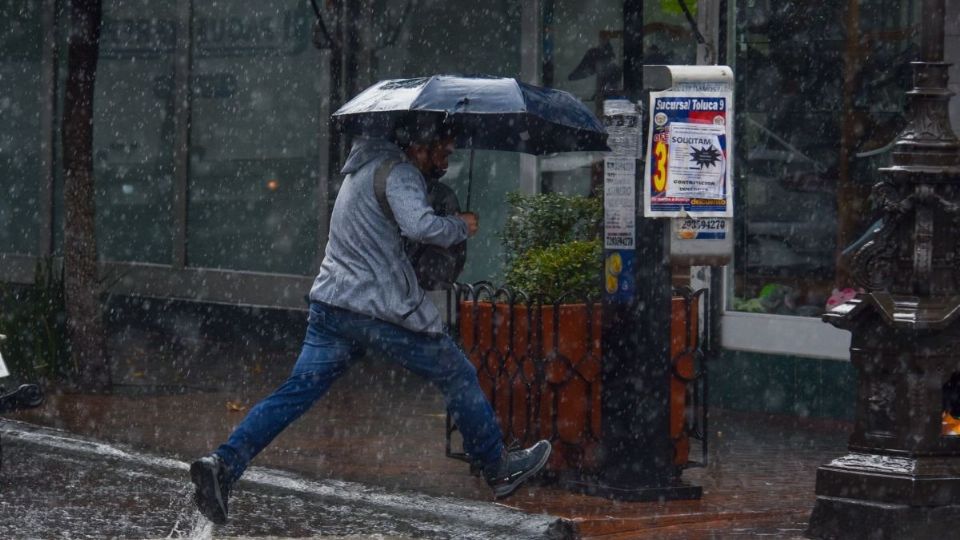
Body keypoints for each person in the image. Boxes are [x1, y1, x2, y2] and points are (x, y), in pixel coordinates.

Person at [189, 128, 552, 524]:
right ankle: (497, 467)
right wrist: (460, 225)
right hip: (377, 310)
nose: (449, 153)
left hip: (332, 307)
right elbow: (420, 226)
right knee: (457, 373)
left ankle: (222, 465)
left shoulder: (360, 168)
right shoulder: (400, 172)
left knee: (294, 394)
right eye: (442, 146)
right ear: (417, 143)